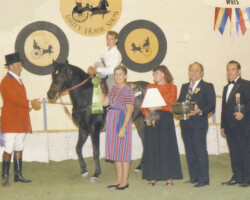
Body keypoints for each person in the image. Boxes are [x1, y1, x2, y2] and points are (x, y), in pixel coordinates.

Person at [1, 52, 41, 186]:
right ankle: (5, 176)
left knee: (19, 146)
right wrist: (30, 103)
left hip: (20, 119)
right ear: (11, 66)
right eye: (19, 64)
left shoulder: (17, 80)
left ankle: (18, 175)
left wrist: (30, 103)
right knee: (9, 147)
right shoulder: (6, 82)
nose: (20, 67)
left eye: (20, 64)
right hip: (11, 121)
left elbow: (18, 100)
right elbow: (14, 99)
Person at [141, 65, 183, 186]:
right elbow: (144, 106)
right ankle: (152, 177)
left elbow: (172, 106)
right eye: (154, 73)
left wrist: (158, 107)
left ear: (164, 74)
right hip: (152, 118)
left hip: (165, 120)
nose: (155, 75)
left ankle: (168, 177)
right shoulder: (150, 86)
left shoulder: (172, 87)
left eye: (157, 73)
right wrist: (146, 117)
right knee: (152, 147)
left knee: (166, 147)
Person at [177, 62, 216, 187]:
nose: (193, 72)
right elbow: (179, 103)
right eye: (191, 70)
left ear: (202, 73)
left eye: (197, 70)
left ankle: (204, 179)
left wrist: (200, 110)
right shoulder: (184, 87)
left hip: (198, 123)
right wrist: (178, 111)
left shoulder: (207, 86)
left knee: (200, 150)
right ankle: (193, 177)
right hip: (185, 123)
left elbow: (211, 104)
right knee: (189, 150)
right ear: (188, 72)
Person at [101, 65, 135, 190]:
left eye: (120, 74)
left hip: (121, 121)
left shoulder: (128, 90)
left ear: (125, 76)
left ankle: (125, 181)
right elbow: (105, 103)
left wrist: (124, 127)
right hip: (111, 121)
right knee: (116, 152)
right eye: (116, 74)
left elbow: (130, 111)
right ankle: (118, 179)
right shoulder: (113, 88)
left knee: (123, 152)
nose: (118, 77)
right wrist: (98, 88)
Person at [221, 60, 250, 187]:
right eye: (228, 69)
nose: (230, 72)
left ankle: (247, 178)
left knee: (245, 151)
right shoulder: (225, 88)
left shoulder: (246, 84)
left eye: (233, 69)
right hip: (229, 126)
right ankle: (237, 176)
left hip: (242, 125)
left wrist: (243, 113)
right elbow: (224, 108)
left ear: (239, 71)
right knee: (234, 152)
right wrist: (222, 125)